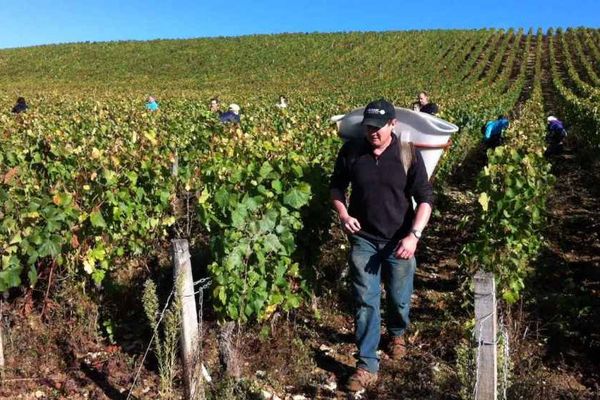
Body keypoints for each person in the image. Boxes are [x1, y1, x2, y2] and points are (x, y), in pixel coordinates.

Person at [329, 99, 433, 392]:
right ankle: (366, 365)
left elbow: (425, 197)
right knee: (365, 301)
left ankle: (397, 333)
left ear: (392, 125)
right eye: (368, 127)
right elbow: (336, 186)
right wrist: (344, 213)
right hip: (364, 240)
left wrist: (414, 235)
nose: (372, 132)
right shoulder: (352, 152)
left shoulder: (407, 152)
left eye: (378, 127)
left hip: (400, 241)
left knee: (400, 298)